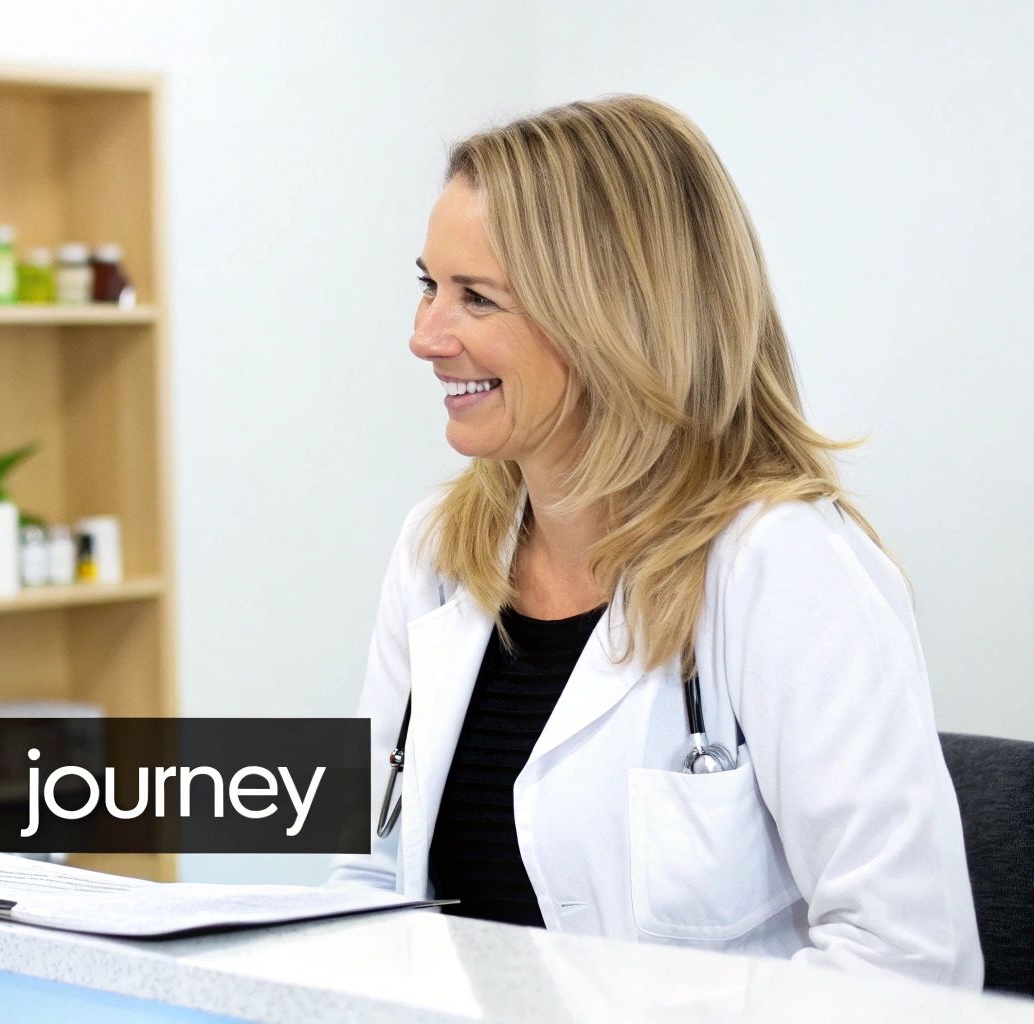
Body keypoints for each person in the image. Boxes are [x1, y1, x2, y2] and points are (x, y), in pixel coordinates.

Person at [327, 96, 983, 987]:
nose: (424, 337)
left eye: (476, 297)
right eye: (427, 286)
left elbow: (910, 967)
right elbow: (366, 875)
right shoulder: (438, 553)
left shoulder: (784, 568)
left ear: (612, 317)